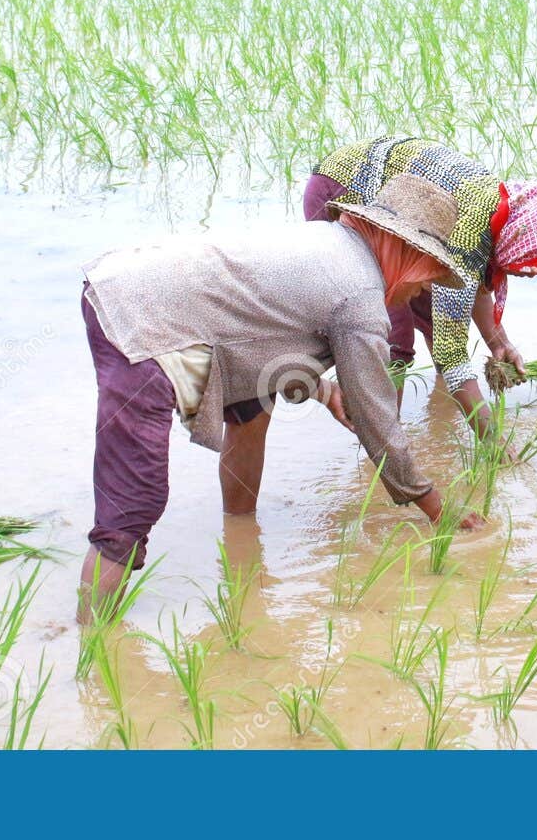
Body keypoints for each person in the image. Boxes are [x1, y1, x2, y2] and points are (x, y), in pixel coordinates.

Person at [77, 174, 484, 616]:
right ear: (409, 253)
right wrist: (436, 509)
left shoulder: (328, 242)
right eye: (428, 277)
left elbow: (263, 332)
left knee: (252, 407)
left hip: (136, 283)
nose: (424, 290)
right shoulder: (361, 296)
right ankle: (92, 644)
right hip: (143, 319)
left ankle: (240, 532)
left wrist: (326, 392)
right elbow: (378, 422)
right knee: (134, 501)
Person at [304, 136, 537, 439]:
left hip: (410, 220)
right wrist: (493, 443)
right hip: (345, 191)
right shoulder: (471, 229)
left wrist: (499, 344)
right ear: (520, 238)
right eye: (532, 261)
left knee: (435, 315)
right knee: (393, 336)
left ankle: (438, 428)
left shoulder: (496, 213)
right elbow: (452, 350)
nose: (532, 273)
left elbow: (466, 286)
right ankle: (384, 445)